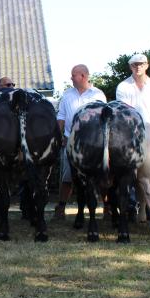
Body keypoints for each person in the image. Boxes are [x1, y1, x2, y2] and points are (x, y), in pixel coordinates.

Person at [54, 64, 107, 219]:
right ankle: (61, 207)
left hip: (93, 144)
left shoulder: (98, 95)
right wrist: (61, 136)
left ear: (83, 76)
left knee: (101, 174)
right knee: (68, 176)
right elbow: (61, 117)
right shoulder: (67, 95)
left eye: (73, 75)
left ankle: (108, 207)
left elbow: (104, 118)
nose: (71, 78)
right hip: (71, 142)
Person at [115, 53, 150, 127]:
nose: (138, 67)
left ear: (147, 66)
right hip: (129, 131)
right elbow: (124, 112)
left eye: (142, 64)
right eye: (135, 64)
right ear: (130, 67)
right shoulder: (122, 86)